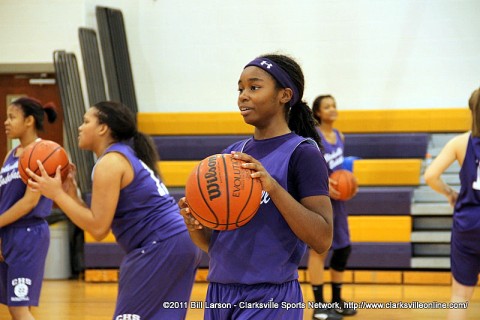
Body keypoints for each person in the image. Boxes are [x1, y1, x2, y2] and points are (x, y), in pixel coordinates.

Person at [178, 53, 334, 320]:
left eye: (254, 87)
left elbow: (322, 239)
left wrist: (272, 188)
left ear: (285, 95)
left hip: (270, 296)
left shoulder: (302, 153)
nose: (243, 95)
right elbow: (213, 246)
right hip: (219, 293)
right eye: (240, 89)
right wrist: (197, 226)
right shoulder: (232, 154)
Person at [28, 101, 201, 319]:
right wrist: (70, 195)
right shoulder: (122, 155)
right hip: (178, 242)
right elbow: (95, 219)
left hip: (161, 244)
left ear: (103, 128)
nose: (80, 127)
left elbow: (98, 229)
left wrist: (57, 195)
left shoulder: (110, 162)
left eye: (86, 121)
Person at [424, 88, 480, 320]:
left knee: (460, 296)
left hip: (468, 223)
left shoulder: (460, 143)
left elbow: (430, 176)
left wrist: (449, 193)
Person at [0, 97, 57, 320]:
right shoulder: (10, 156)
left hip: (28, 233)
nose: (6, 122)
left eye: (12, 117)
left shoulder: (43, 152)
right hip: (8, 233)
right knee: (16, 307)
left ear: (29, 121)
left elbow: (29, 202)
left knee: (19, 308)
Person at [308, 95, 357, 320]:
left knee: (343, 249)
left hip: (339, 202)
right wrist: (324, 181)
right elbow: (308, 167)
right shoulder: (312, 137)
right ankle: (319, 306)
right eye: (327, 106)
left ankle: (337, 300)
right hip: (319, 201)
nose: (333, 109)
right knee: (320, 250)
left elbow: (341, 169)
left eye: (334, 105)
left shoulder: (340, 136)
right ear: (317, 112)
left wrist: (350, 183)